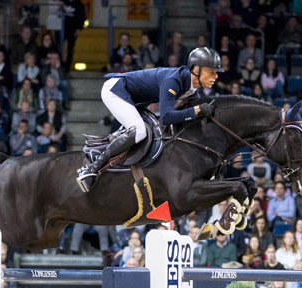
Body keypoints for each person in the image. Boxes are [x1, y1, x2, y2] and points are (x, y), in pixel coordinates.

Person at [76, 47, 223, 192]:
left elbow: (192, 115)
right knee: (140, 131)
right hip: (116, 91)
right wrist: (196, 110)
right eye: (211, 72)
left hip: (135, 100)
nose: (216, 76)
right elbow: (166, 117)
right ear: (196, 70)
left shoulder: (191, 87)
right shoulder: (173, 80)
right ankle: (92, 168)